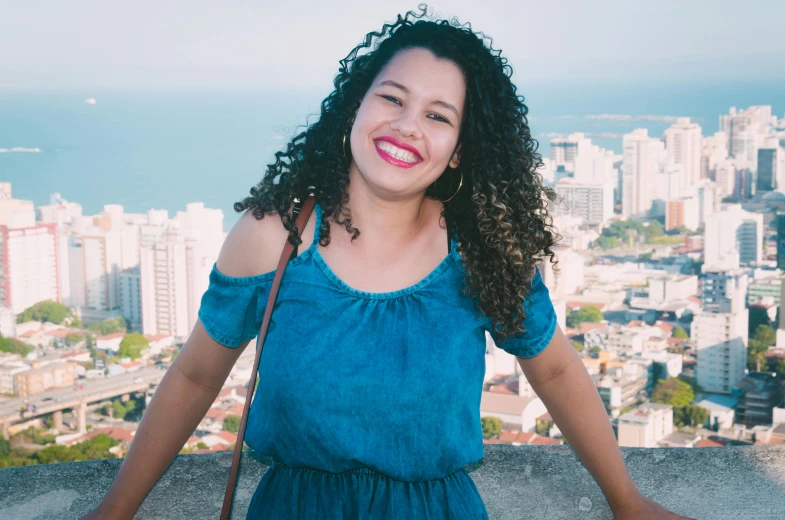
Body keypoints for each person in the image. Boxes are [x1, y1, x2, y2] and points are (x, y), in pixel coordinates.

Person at [82, 6, 694, 520]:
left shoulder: (482, 251)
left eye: (437, 116)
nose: (407, 126)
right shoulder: (276, 236)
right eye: (392, 98)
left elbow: (555, 371)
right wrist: (115, 510)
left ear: (458, 151)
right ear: (356, 106)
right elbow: (193, 377)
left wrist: (627, 501)